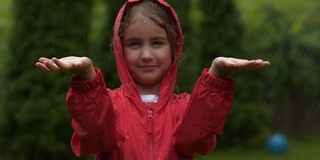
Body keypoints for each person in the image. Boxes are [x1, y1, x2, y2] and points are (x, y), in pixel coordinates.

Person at [35, 0, 270, 159]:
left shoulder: (186, 107)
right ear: (120, 49)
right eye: (134, 44)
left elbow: (195, 138)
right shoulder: (109, 104)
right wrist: (85, 76)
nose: (146, 55)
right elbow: (98, 136)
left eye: (157, 43)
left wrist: (217, 74)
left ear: (174, 49)